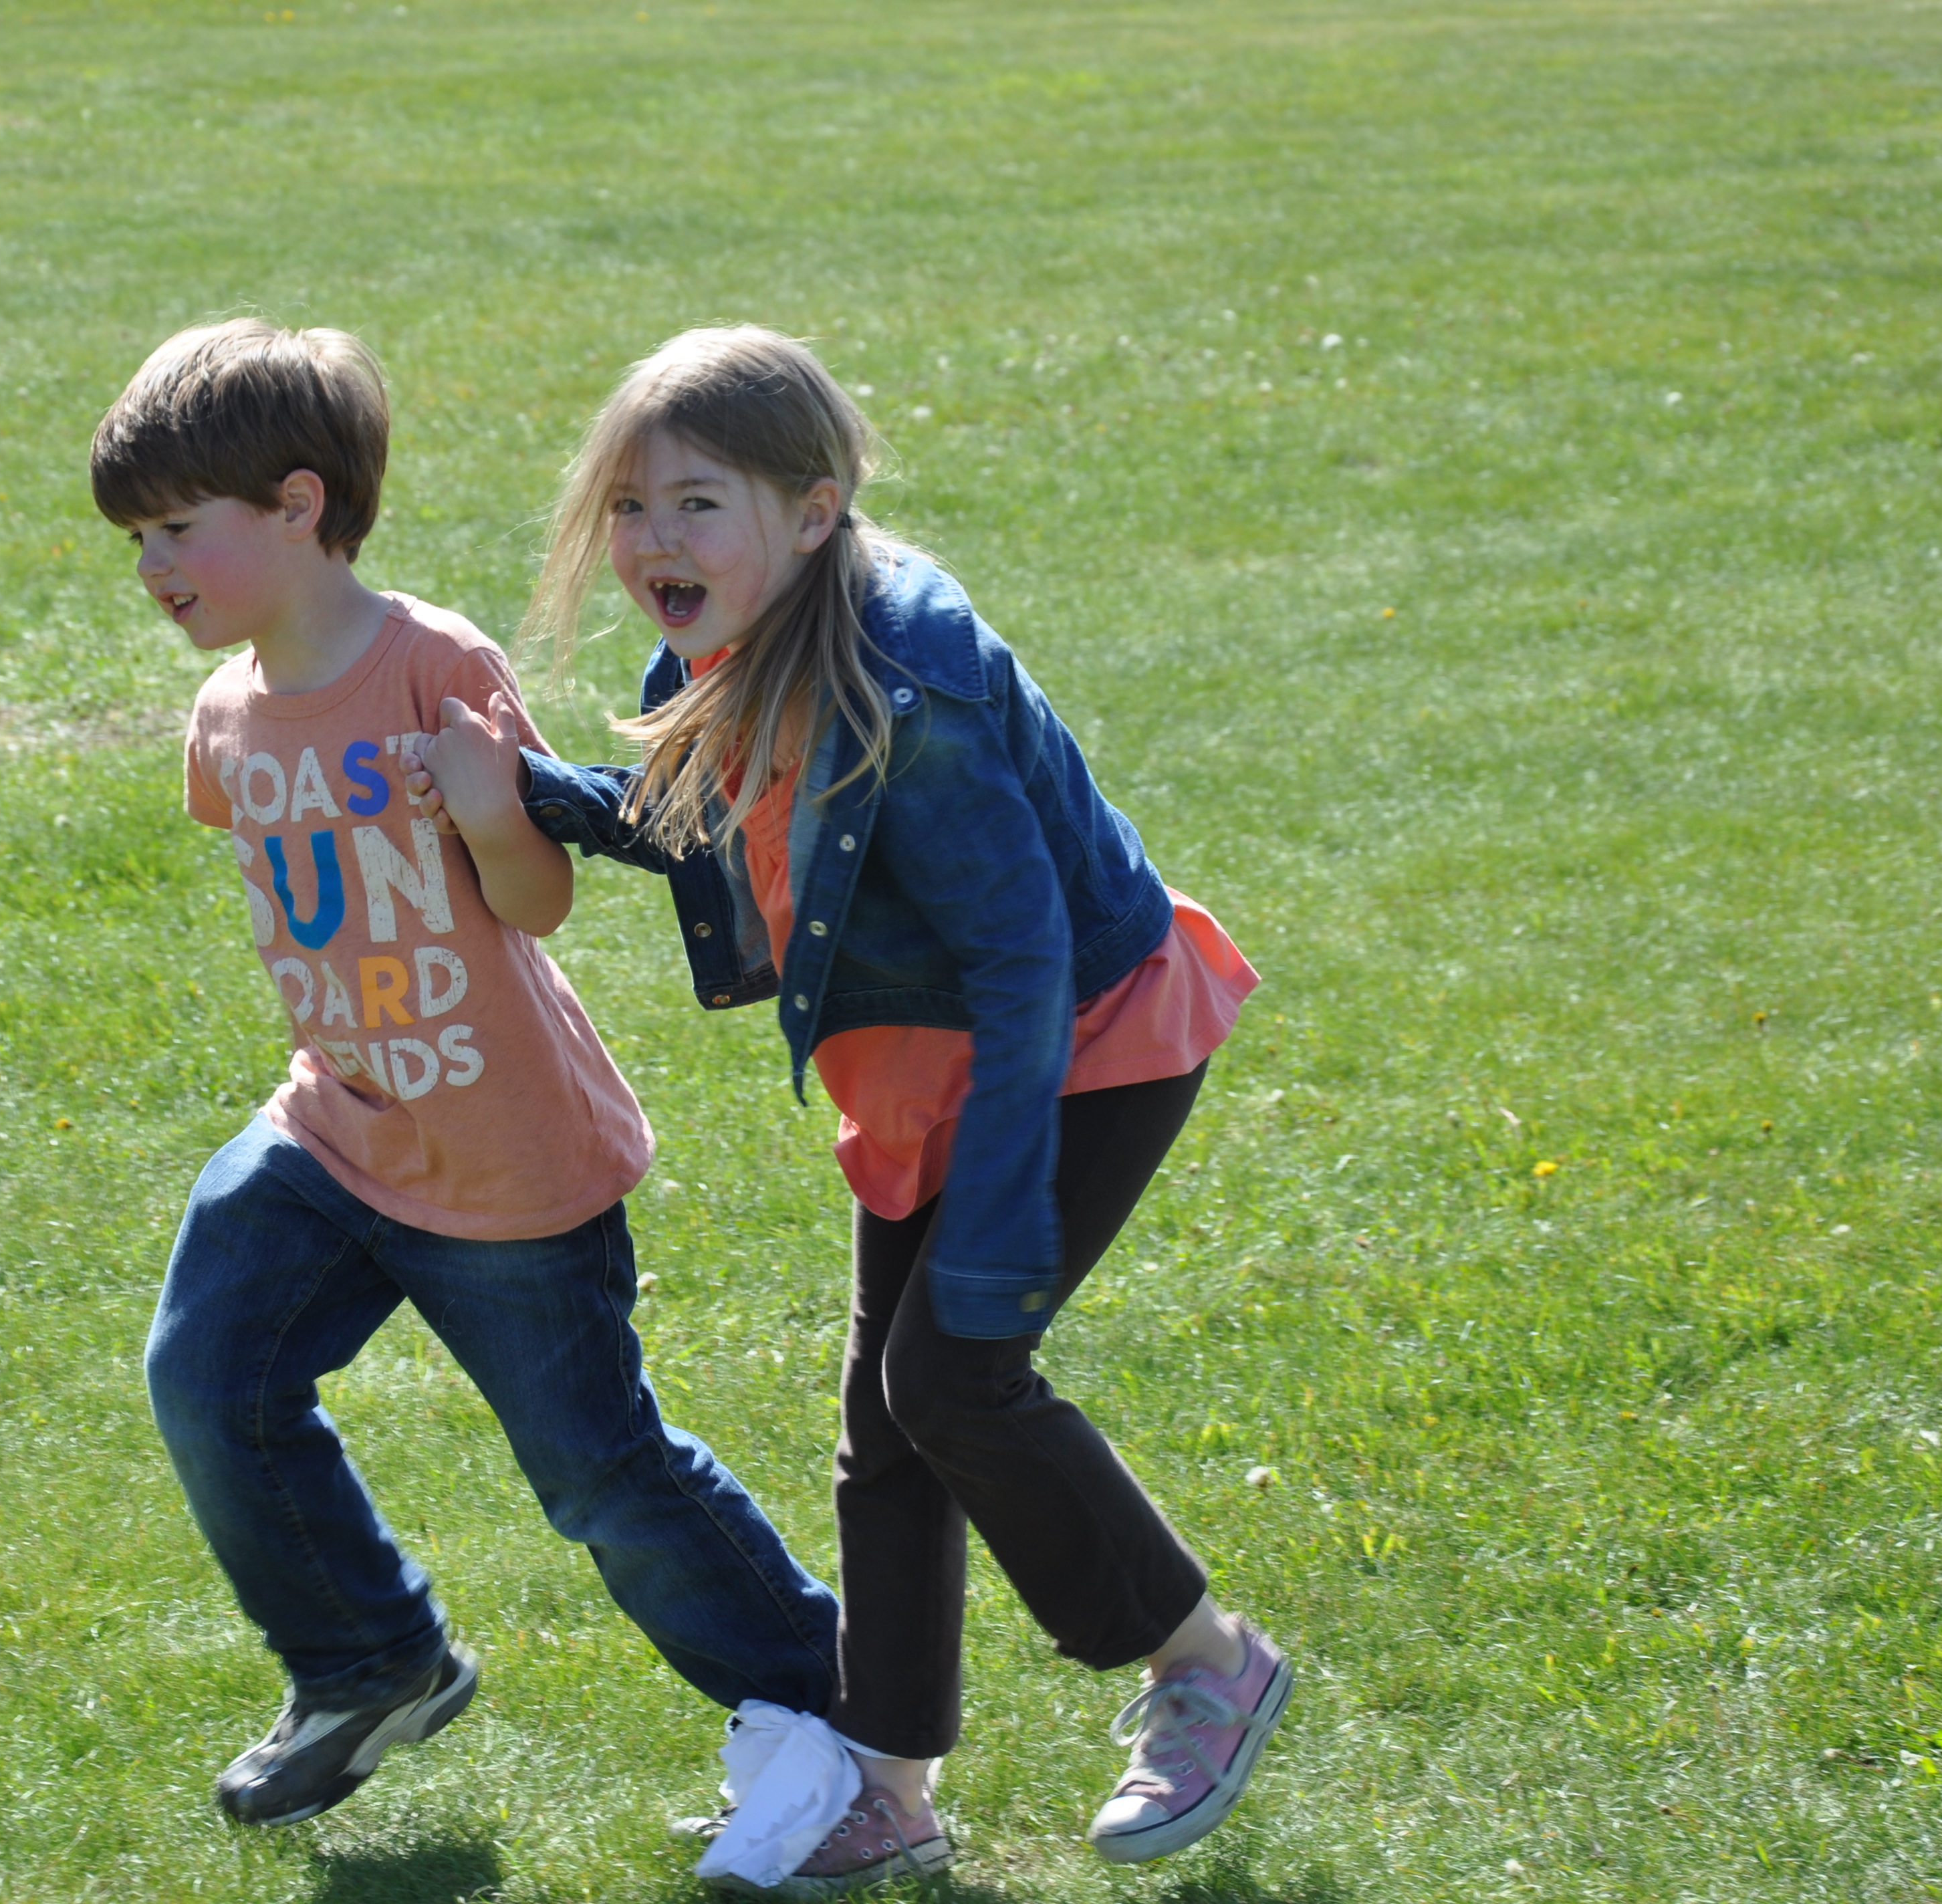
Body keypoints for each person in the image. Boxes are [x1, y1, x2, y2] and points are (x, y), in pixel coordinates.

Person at [413, 326, 1289, 1893]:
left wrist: (998, 1215)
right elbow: (704, 820)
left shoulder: (906, 685)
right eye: (629, 506)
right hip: (930, 1060)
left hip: (1078, 1042)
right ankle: (890, 1788)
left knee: (951, 1376)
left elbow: (1021, 956)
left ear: (812, 513)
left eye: (696, 503)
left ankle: (1204, 1657)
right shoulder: (716, 654)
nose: (651, 540)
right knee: (882, 1431)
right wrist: (532, 790)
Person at [92, 319, 840, 1833]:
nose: (153, 565)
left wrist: (492, 810)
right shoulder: (226, 713)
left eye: (176, 527)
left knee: (598, 1475)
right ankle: (370, 1660)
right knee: (208, 1374)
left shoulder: (433, 665)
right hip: (333, 1123)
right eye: (137, 539)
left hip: (505, 1157)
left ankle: (829, 1706)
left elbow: (535, 903)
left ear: (298, 506)